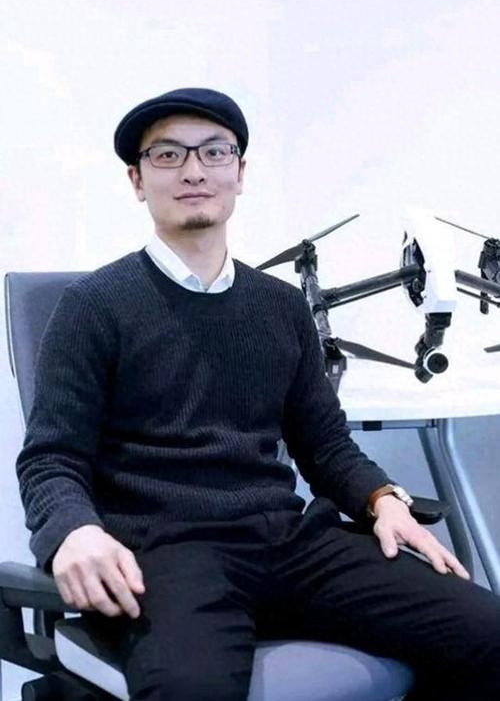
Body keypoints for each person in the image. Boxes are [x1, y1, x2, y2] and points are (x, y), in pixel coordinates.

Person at [17, 87, 500, 700]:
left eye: (214, 151)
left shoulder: (281, 306)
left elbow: (324, 444)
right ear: (137, 180)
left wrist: (383, 500)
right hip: (167, 552)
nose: (194, 170)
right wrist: (72, 531)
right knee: (189, 688)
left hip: (286, 542)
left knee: (487, 633)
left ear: (239, 172)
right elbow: (51, 458)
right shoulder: (93, 306)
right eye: (168, 155)